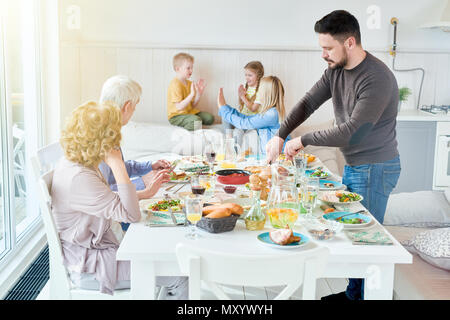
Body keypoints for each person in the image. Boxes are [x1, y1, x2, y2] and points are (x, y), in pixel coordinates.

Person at [265, 10, 401, 301]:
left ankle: (364, 297)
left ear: (349, 43)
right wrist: (280, 134)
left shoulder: (376, 78)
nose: (323, 54)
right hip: (357, 165)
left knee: (365, 241)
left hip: (376, 166)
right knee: (354, 236)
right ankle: (354, 294)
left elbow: (353, 132)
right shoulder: (335, 70)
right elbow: (308, 102)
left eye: (328, 48)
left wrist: (302, 140)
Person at [52, 101, 187, 297]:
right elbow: (131, 215)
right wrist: (117, 165)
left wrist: (144, 193)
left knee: (164, 249)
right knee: (180, 274)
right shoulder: (80, 177)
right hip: (93, 265)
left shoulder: (77, 162)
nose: (117, 141)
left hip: (96, 250)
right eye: (113, 135)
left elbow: (105, 199)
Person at [99, 75, 171, 201]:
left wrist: (149, 166)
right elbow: (104, 194)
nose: (133, 111)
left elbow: (116, 169)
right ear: (127, 107)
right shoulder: (100, 139)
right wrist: (142, 183)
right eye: (134, 106)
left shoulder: (105, 129)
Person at [218, 76, 289, 157]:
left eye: (259, 90)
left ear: (266, 94)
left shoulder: (272, 114)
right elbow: (247, 118)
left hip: (280, 157)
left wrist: (223, 109)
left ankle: (230, 152)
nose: (257, 93)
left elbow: (244, 123)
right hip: (270, 156)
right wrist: (226, 108)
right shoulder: (270, 112)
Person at [167, 52, 214, 130]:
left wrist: (198, 94)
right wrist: (191, 95)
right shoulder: (175, 84)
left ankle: (192, 123)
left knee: (209, 118)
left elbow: (192, 106)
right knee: (196, 121)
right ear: (177, 69)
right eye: (188, 68)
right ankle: (183, 133)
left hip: (188, 113)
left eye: (192, 68)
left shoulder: (189, 83)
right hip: (176, 116)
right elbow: (179, 107)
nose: (191, 70)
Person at [223, 61, 265, 144]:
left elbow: (253, 109)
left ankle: (234, 150)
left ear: (258, 76)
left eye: (250, 75)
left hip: (252, 120)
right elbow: (243, 105)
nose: (247, 78)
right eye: (246, 75)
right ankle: (229, 138)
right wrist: (241, 95)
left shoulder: (262, 90)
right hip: (243, 117)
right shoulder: (248, 86)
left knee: (238, 131)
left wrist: (243, 97)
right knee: (224, 110)